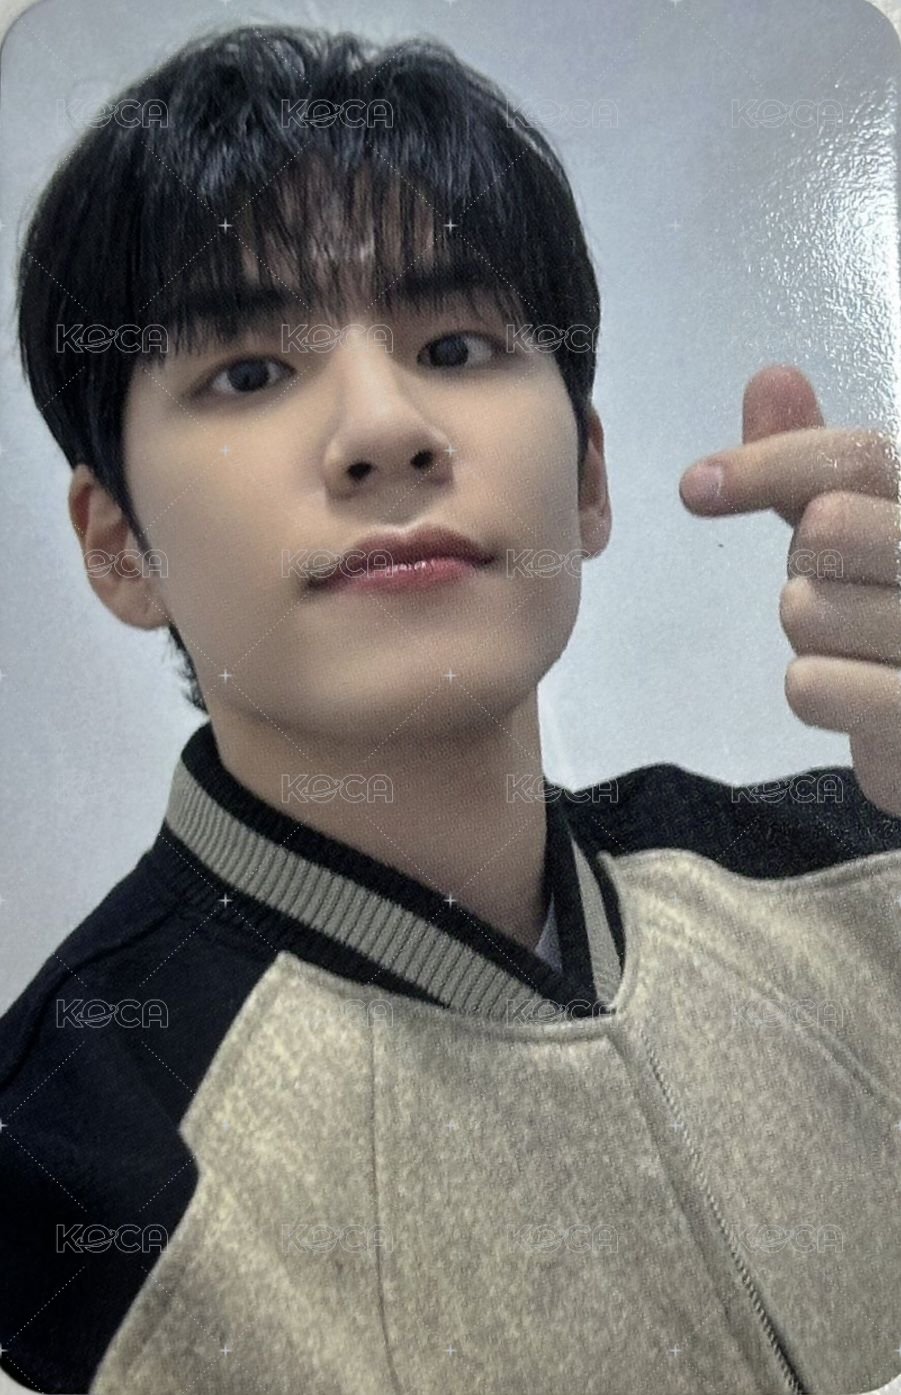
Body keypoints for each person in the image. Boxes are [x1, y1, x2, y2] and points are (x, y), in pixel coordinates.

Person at [2, 22, 900, 1395]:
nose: (384, 429)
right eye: (248, 372)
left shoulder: (861, 866)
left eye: (457, 342)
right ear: (120, 546)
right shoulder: (50, 1165)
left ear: (587, 479)